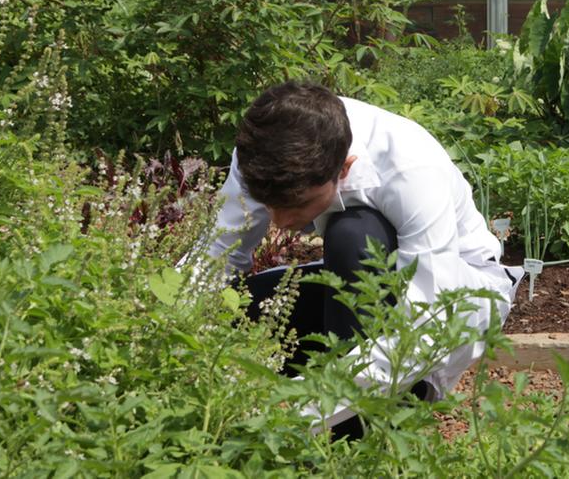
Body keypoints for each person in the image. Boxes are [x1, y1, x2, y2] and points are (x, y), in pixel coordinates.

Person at [194, 82, 521, 420]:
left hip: (452, 292)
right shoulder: (265, 147)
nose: (279, 221)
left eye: (296, 205)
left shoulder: (411, 169)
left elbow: (426, 322)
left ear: (344, 169)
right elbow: (219, 252)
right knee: (238, 309)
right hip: (361, 279)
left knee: (354, 236)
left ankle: (375, 416)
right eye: (268, 204)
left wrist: (306, 410)